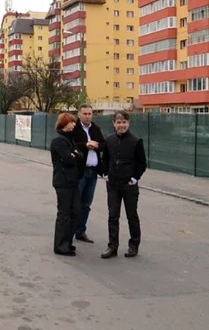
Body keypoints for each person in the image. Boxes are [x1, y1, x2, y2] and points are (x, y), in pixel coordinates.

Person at [100, 110, 147, 259]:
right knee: (112, 216)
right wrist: (105, 174)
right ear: (114, 123)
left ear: (128, 123)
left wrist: (134, 178)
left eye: (124, 122)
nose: (121, 125)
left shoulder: (136, 141)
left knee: (131, 216)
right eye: (118, 122)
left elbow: (142, 163)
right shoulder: (109, 140)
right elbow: (105, 159)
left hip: (129, 186)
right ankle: (112, 246)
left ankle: (134, 245)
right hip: (113, 184)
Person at [71, 103, 106, 243]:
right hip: (80, 171)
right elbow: (71, 144)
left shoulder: (96, 128)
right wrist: (86, 145)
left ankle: (80, 231)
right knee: (76, 203)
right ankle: (70, 231)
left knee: (86, 204)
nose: (87, 116)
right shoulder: (74, 128)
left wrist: (96, 144)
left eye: (89, 114)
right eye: (85, 114)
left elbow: (104, 144)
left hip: (93, 172)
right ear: (79, 114)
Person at [49, 112, 82, 256]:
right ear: (63, 123)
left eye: (74, 122)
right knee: (64, 214)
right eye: (71, 122)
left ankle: (68, 242)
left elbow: (79, 155)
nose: (74, 125)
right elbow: (68, 160)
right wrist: (73, 155)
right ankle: (60, 246)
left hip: (73, 181)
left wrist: (74, 154)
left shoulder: (69, 139)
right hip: (63, 181)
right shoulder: (58, 140)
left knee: (76, 212)